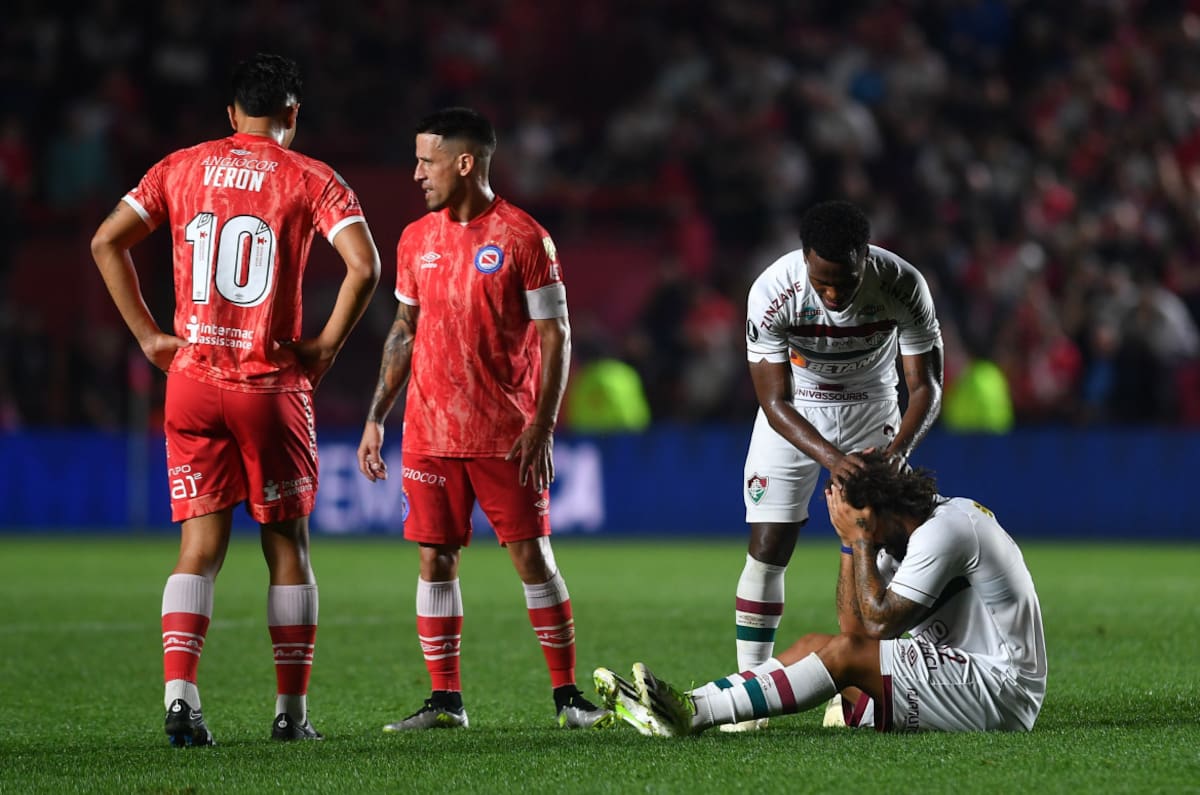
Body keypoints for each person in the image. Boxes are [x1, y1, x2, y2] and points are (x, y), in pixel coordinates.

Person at [90, 53, 381, 746]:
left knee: (198, 547)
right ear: (293, 112)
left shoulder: (179, 166)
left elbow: (106, 241)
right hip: (269, 383)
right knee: (287, 546)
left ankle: (181, 701)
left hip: (190, 381)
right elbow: (364, 265)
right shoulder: (312, 178)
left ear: (230, 113)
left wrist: (149, 338)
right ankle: (289, 715)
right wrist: (329, 345)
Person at [355, 107, 611, 731]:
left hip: (506, 436)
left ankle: (568, 697)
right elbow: (404, 330)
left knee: (532, 558)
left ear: (464, 163)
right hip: (429, 434)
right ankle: (445, 701)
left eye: (426, 160)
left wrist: (544, 424)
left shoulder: (524, 238)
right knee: (434, 559)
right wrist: (376, 416)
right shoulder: (416, 239)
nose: (416, 173)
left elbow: (556, 337)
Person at [596, 450, 1047, 735]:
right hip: (962, 679)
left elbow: (877, 624)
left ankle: (692, 715)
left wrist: (857, 540)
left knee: (844, 657)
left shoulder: (947, 530)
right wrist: (851, 542)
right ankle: (688, 703)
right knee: (817, 647)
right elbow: (854, 629)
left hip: (1002, 688)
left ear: (876, 510)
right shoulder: (900, 536)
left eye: (852, 516)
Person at [728, 199, 943, 730]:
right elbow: (773, 401)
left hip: (874, 406)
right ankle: (753, 698)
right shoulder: (772, 291)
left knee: (889, 544)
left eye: (844, 281)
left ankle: (860, 692)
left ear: (865, 258)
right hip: (798, 410)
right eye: (822, 282)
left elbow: (927, 385)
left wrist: (895, 456)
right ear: (804, 259)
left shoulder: (902, 284)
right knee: (769, 545)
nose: (832, 293)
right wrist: (832, 459)